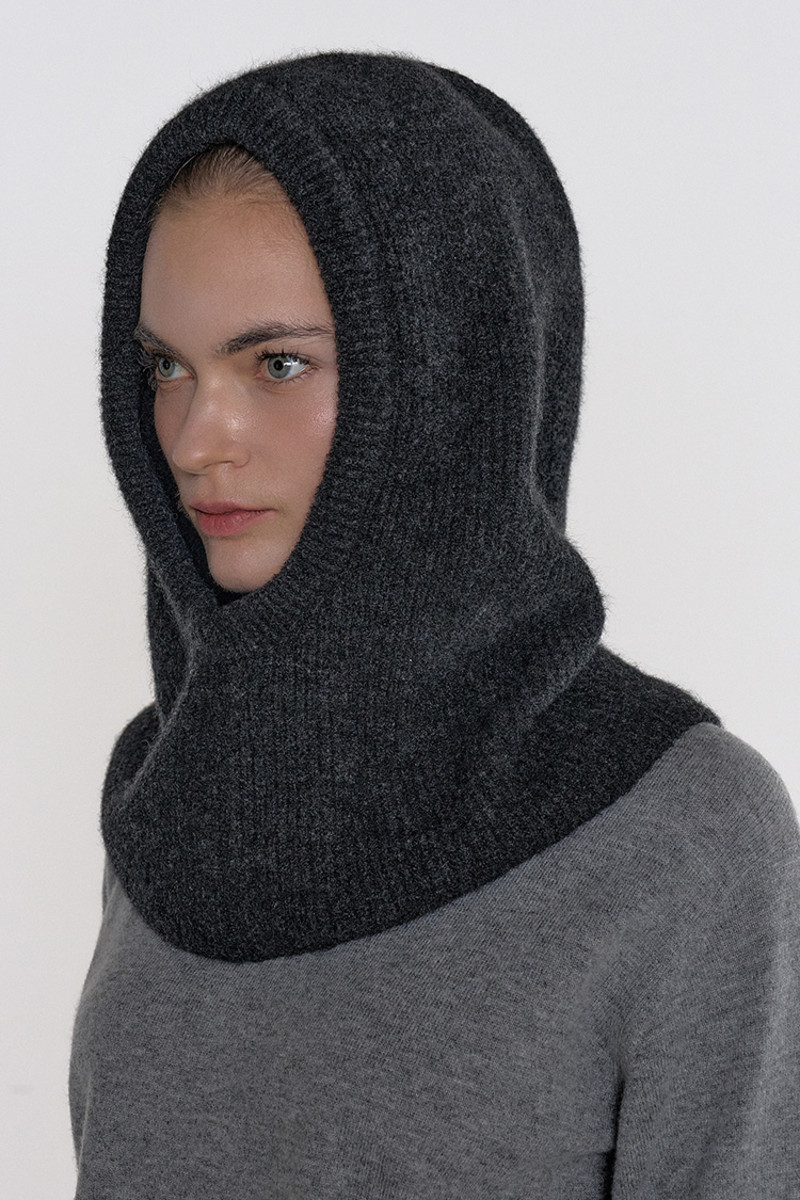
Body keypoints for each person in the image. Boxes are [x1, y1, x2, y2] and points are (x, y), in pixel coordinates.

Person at [69, 51, 800, 1198]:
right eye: (165, 366)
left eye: (276, 363)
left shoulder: (684, 836)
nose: (197, 438)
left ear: (454, 373)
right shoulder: (169, 787)